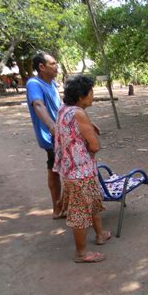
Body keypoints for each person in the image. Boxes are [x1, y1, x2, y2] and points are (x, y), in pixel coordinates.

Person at [53, 75, 111, 263]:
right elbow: (94, 146)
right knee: (80, 213)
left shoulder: (64, 109)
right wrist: (90, 133)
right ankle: (81, 253)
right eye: (91, 92)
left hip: (72, 170)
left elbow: (67, 129)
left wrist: (88, 125)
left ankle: (100, 234)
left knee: (92, 202)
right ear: (81, 96)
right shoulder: (79, 113)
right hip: (80, 173)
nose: (93, 95)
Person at [26, 52, 63, 219]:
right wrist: (52, 126)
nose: (57, 66)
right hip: (52, 137)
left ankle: (58, 208)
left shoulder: (52, 83)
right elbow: (38, 105)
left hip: (60, 134)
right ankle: (65, 208)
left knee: (53, 169)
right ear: (41, 67)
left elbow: (61, 106)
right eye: (53, 63)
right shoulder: (34, 84)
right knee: (66, 170)